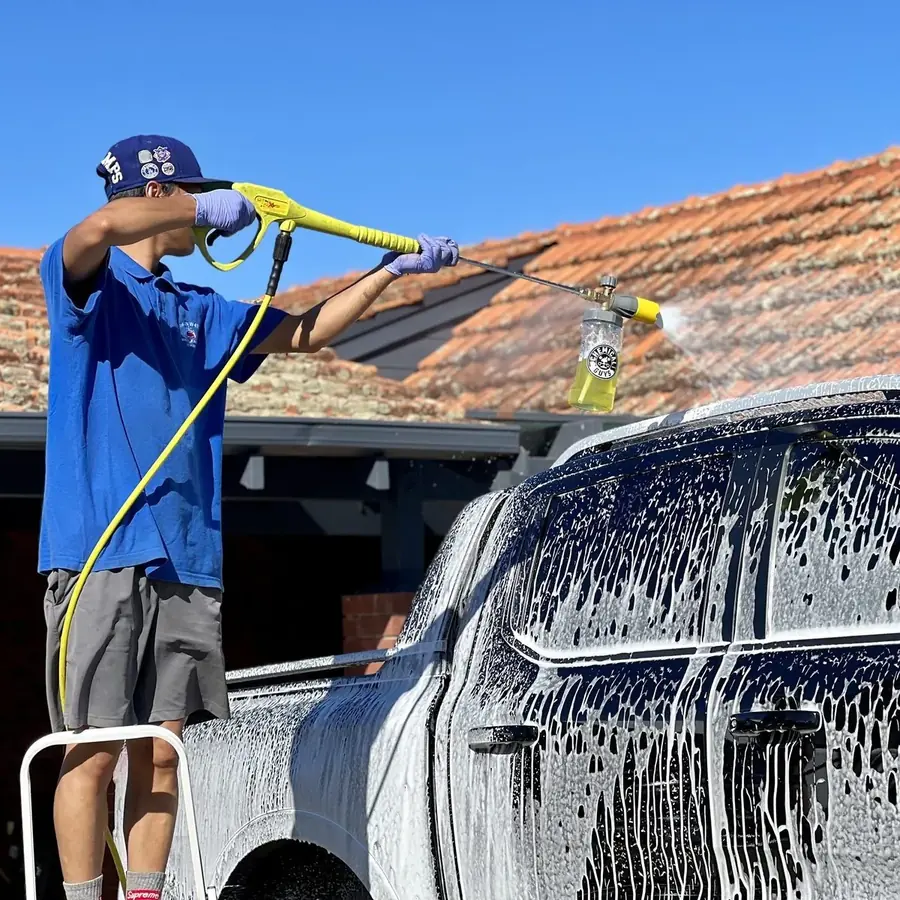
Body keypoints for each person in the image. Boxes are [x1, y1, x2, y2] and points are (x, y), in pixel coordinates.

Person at [39, 134, 458, 900]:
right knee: (94, 748)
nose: (207, 217)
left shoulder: (201, 308)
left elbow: (306, 333)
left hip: (188, 557)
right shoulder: (90, 289)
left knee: (163, 748)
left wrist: (389, 272)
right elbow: (93, 232)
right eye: (191, 197)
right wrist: (204, 203)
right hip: (101, 548)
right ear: (158, 196)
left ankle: (146, 893)